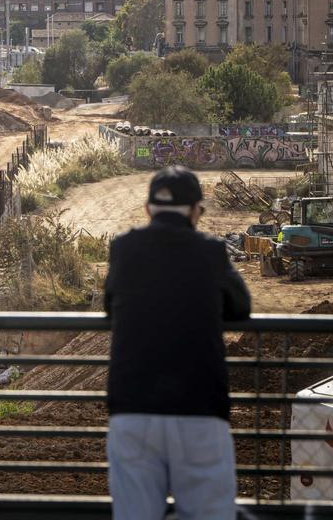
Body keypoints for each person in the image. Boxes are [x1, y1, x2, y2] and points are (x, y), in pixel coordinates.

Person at [104, 165, 251, 520]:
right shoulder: (211, 252)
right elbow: (241, 307)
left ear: (147, 209)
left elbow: (110, 306)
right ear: (196, 211)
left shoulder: (123, 249)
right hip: (199, 409)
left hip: (133, 409)